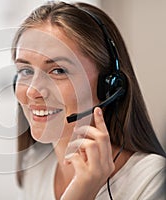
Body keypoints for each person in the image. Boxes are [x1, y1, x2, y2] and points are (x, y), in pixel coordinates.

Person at [11, 1, 166, 200]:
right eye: (25, 70)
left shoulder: (152, 179)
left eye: (58, 70)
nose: (32, 91)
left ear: (109, 85)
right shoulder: (37, 165)